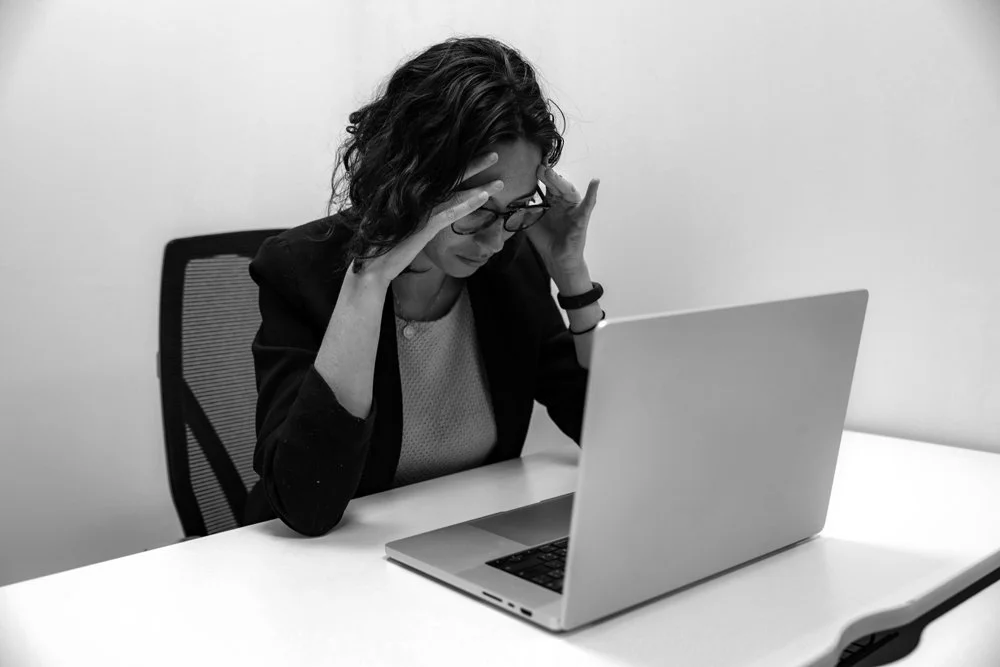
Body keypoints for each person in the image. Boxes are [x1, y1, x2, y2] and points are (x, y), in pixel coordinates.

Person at [244, 36, 605, 536]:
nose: (494, 239)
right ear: (411, 179)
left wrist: (572, 278)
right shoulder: (300, 270)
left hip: (461, 549)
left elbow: (611, 433)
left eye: (516, 211)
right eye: (476, 209)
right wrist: (368, 283)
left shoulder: (509, 267)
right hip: (322, 576)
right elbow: (307, 504)